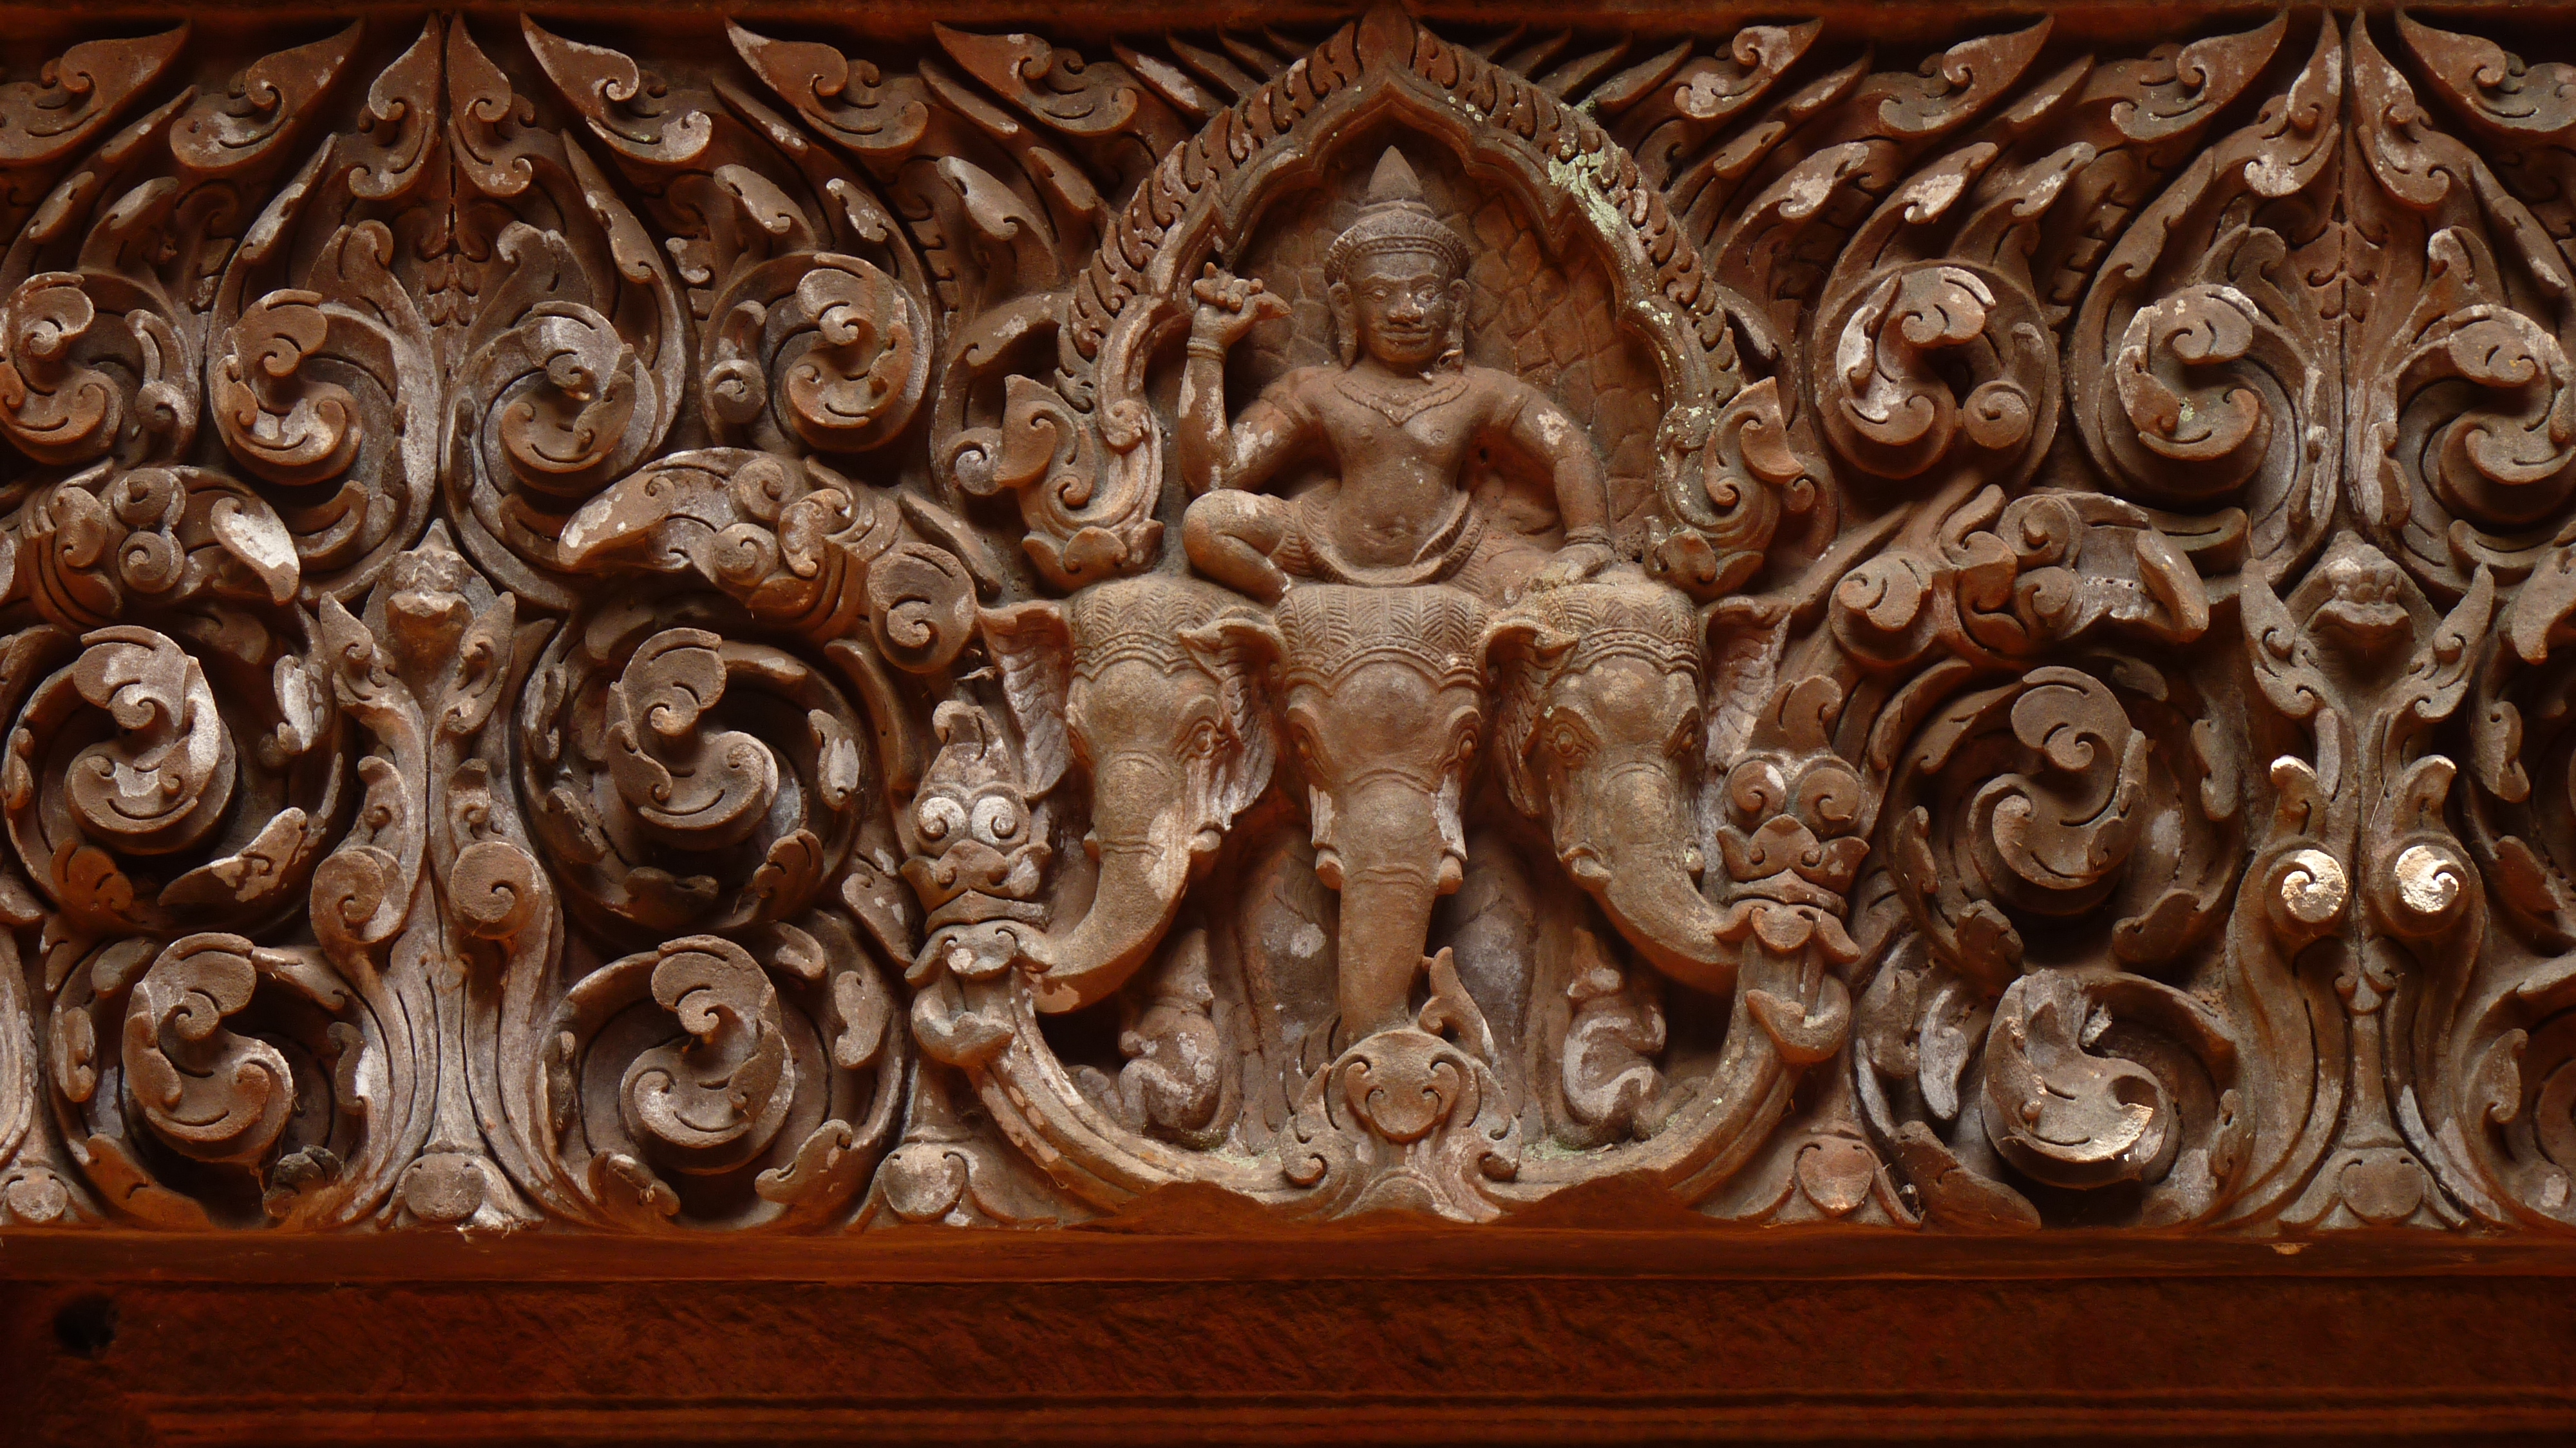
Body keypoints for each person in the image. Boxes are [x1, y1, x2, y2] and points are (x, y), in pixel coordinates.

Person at [1175, 148, 1615, 605]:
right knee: (1206, 522)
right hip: (1320, 542)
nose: (1406, 312)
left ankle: (1317, 609)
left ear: (1456, 303)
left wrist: (1587, 542)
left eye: (1425, 292)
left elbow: (1568, 449)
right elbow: (1215, 478)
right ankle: (1290, 598)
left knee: (1575, 603)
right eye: (1381, 293)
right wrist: (1208, 345)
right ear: (1347, 305)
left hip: (1457, 552)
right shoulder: (1316, 390)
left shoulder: (1479, 390)